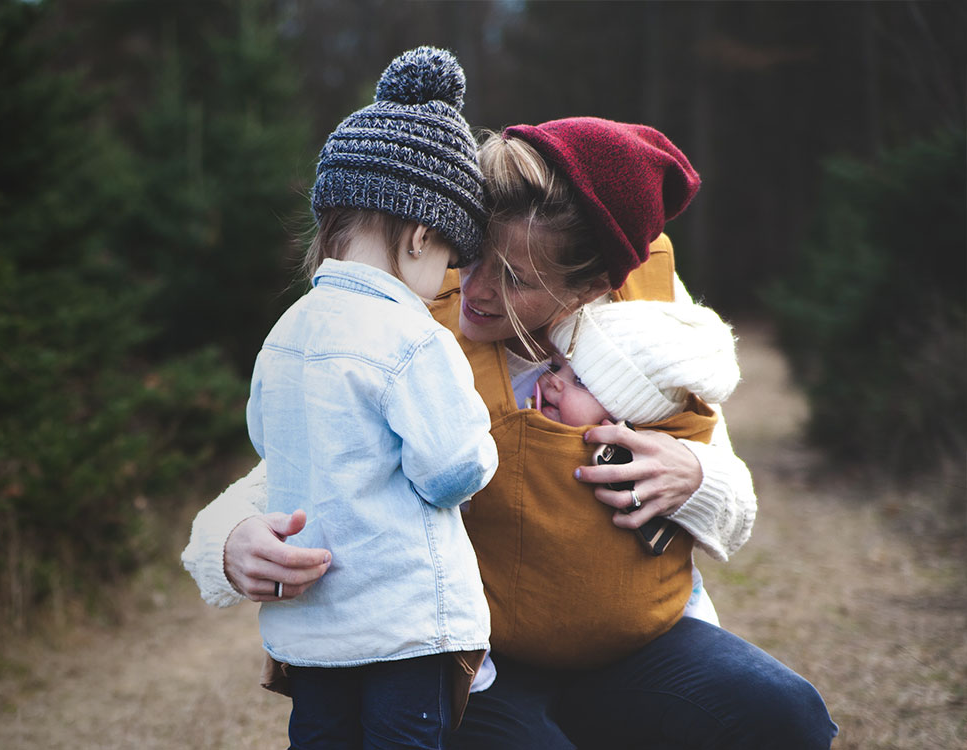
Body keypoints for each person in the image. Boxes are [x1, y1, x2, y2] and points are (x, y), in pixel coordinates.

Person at [182, 114, 838, 748]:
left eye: (517, 278)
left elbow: (737, 510)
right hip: (476, 663)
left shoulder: (650, 336)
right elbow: (304, 459)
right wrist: (228, 541)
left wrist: (696, 478)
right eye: (475, 254)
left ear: (593, 287)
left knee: (786, 717)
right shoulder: (411, 322)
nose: (476, 288)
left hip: (635, 648)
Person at [246, 46, 498, 750]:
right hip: (402, 627)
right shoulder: (411, 339)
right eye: (451, 256)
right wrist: (481, 441)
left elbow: (266, 440)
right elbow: (452, 470)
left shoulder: (284, 333)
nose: (449, 276)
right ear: (421, 236)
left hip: (313, 632)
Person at [504, 298, 741, 669]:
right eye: (554, 367)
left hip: (655, 630)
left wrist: (699, 476)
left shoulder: (656, 448)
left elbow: (735, 516)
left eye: (579, 380)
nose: (551, 383)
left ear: (626, 416)